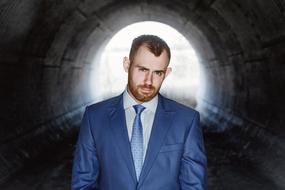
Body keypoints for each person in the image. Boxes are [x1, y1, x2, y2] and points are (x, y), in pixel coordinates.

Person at [71, 35, 207, 190]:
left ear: (167, 73)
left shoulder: (187, 120)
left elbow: (194, 186)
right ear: (127, 65)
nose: (148, 81)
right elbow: (83, 183)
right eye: (142, 70)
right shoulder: (94, 117)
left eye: (158, 73)